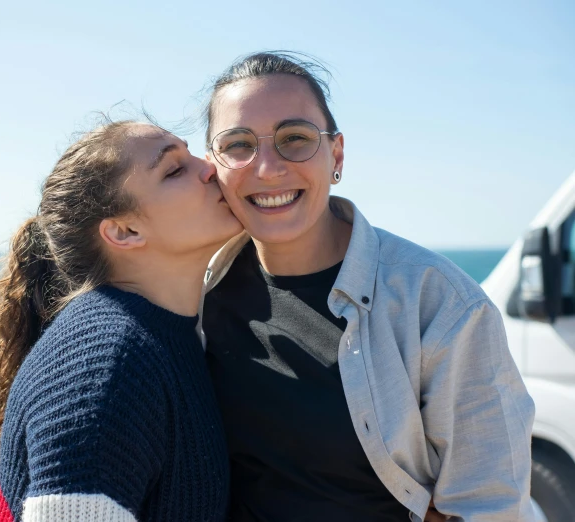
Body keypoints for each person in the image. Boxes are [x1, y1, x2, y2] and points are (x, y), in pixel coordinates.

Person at [200, 52, 536, 522]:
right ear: (213, 164)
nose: (268, 168)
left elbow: (489, 505)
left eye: (294, 138)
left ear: (336, 155)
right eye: (238, 144)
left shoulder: (438, 304)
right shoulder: (195, 292)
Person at [0, 120, 242, 522]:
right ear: (124, 231)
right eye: (174, 170)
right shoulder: (110, 362)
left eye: (191, 153)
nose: (210, 166)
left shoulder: (164, 334)